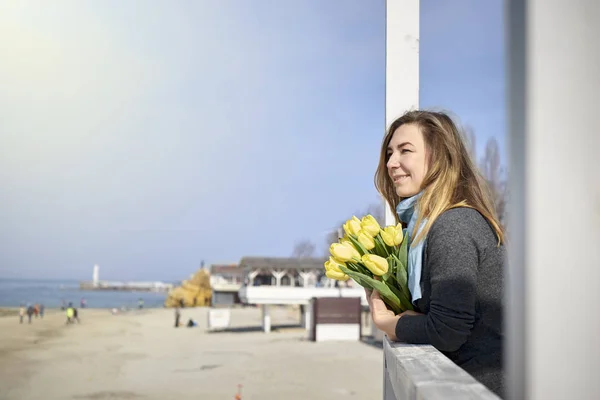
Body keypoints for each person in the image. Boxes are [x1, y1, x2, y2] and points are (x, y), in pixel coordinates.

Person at [368, 110, 505, 397]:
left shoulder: (453, 225)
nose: (392, 163)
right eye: (390, 153)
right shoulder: (426, 228)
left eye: (405, 151)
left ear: (439, 158)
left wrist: (389, 324)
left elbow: (448, 329)